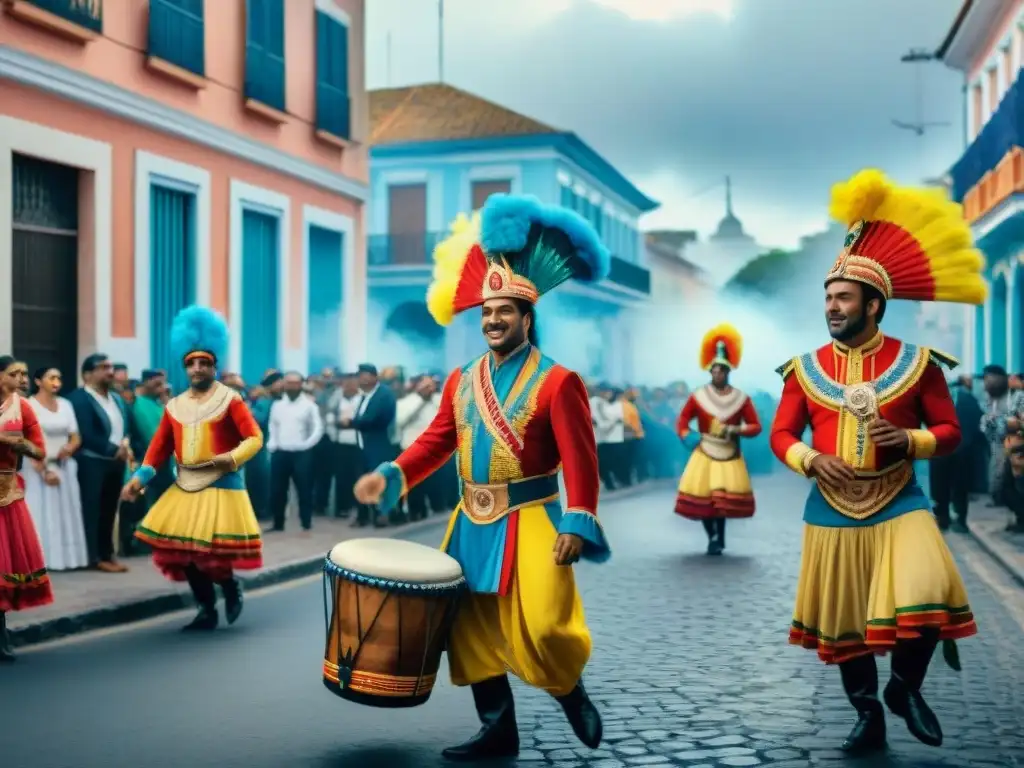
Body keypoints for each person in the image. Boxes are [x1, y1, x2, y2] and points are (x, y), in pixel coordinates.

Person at [354, 195, 611, 761]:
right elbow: (437, 441)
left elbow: (582, 459)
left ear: (527, 317)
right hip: (470, 519)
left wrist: (579, 519)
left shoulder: (559, 382)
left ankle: (569, 690)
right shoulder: (460, 379)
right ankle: (497, 726)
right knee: (466, 632)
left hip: (534, 516)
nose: (493, 321)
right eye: (485, 313)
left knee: (546, 625)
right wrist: (393, 473)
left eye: (504, 312)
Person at [769, 169, 983, 755]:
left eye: (843, 298)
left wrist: (909, 441)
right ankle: (867, 714)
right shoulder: (803, 368)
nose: (832, 308)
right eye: (828, 299)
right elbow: (781, 433)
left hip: (900, 497)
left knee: (932, 590)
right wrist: (810, 459)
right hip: (831, 508)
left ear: (875, 304)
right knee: (846, 624)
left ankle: (904, 688)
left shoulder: (921, 363)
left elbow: (952, 433)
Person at [121, 305, 264, 631]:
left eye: (204, 363)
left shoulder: (231, 400)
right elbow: (157, 450)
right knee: (182, 553)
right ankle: (205, 608)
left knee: (211, 554)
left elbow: (255, 438)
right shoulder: (174, 406)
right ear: (185, 369)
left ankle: (229, 586)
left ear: (214, 367)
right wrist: (138, 480)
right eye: (191, 363)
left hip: (223, 488)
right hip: (185, 487)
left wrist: (230, 459)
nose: (197, 368)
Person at [674, 324, 761, 555]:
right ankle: (712, 537)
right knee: (706, 501)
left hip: (729, 452)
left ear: (727, 372)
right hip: (705, 451)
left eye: (721, 371)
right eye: (714, 371)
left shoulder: (741, 398)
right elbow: (682, 421)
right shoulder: (699, 396)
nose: (717, 375)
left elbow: (755, 426)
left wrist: (734, 430)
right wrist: (688, 436)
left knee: (721, 502)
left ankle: (719, 537)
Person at [0, 356, 53, 661]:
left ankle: (1, 634)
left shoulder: (23, 407)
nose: (21, 378)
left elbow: (40, 449)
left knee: (4, 571)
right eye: (14, 373)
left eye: (23, 373)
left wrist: (23, 447)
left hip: (6, 493)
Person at [67, 353, 133, 573]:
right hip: (91, 463)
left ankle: (107, 554)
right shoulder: (79, 399)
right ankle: (93, 556)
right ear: (88, 374)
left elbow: (125, 426)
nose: (110, 371)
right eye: (103, 367)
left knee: (109, 510)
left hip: (115, 463)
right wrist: (114, 449)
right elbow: (85, 433)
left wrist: (125, 446)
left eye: (111, 366)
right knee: (92, 509)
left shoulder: (115, 398)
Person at [23, 366, 89, 571]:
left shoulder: (66, 405)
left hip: (64, 463)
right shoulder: (28, 405)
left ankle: (67, 558)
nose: (56, 381)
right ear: (38, 381)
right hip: (37, 464)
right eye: (51, 377)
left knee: (66, 512)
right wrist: (43, 470)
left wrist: (70, 447)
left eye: (59, 377)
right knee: (40, 511)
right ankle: (38, 559)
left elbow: (75, 435)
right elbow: (25, 440)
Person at [266, 372, 322, 532]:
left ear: (301, 384)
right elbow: (273, 425)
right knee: (277, 489)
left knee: (304, 489)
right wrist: (273, 444)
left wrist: (307, 445)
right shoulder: (277, 405)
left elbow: (318, 428)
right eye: (289, 383)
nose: (292, 386)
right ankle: (278, 524)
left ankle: (306, 523)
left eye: (295, 383)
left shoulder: (309, 405)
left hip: (302, 453)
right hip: (280, 452)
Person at [930, 376, 983, 532]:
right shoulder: (969, 398)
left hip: (943, 447)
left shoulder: (934, 398)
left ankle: (945, 517)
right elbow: (977, 424)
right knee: (958, 485)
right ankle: (957, 519)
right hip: (958, 448)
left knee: (944, 485)